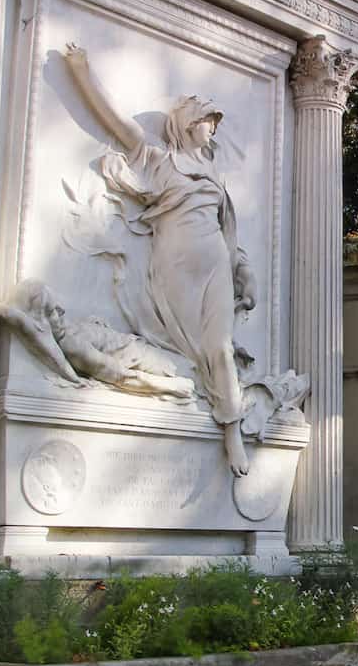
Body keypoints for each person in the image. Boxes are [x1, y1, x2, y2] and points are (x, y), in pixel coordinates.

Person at [63, 43, 254, 476]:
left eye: (215, 122)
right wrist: (80, 70)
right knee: (191, 350)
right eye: (208, 120)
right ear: (188, 122)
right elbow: (115, 121)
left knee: (220, 347)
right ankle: (183, 407)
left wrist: (246, 273)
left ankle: (232, 430)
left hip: (216, 268)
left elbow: (230, 231)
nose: (213, 128)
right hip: (176, 267)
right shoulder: (157, 159)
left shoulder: (214, 175)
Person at [0, 279, 197, 402]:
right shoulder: (74, 348)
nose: (62, 310)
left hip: (143, 347)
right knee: (202, 379)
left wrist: (94, 325)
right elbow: (122, 377)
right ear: (41, 320)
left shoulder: (68, 331)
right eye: (53, 311)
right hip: (152, 361)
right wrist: (171, 385)